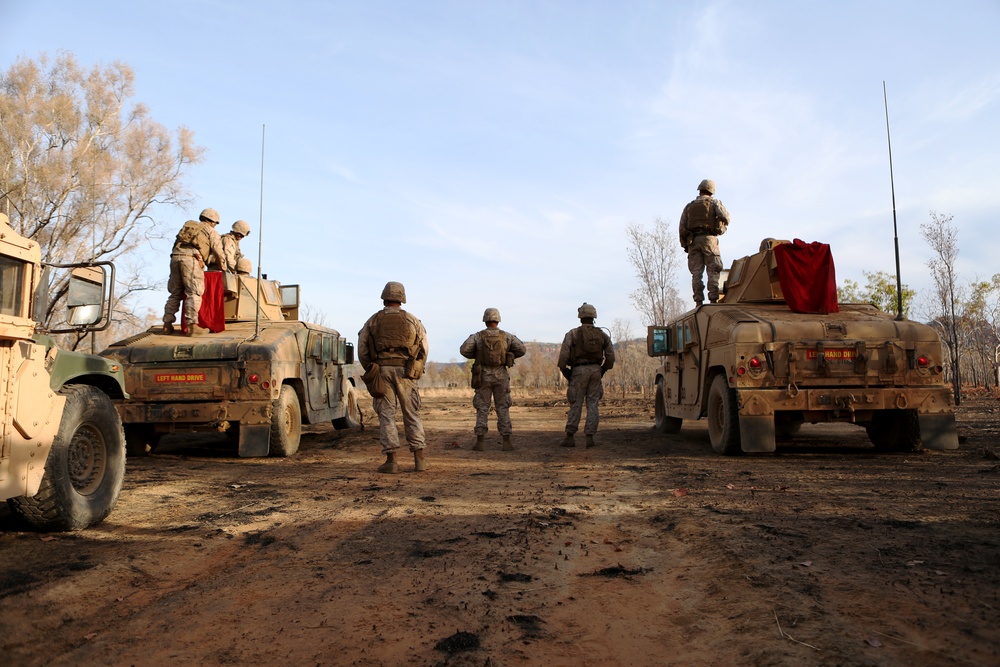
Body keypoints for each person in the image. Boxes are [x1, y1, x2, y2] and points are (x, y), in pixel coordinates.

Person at [357, 281, 430, 473]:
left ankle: (391, 461)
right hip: (406, 372)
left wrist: (371, 369)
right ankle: (419, 460)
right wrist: (416, 368)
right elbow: (424, 347)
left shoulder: (373, 320)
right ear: (402, 298)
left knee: (386, 415)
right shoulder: (413, 320)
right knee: (411, 414)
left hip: (382, 371)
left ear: (384, 297)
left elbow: (362, 349)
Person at [459, 308, 527, 451]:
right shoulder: (507, 336)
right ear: (498, 320)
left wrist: (478, 355)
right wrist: (509, 354)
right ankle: (506, 441)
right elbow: (522, 349)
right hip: (501, 375)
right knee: (503, 407)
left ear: (485, 320)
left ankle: (480, 442)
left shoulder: (477, 336)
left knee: (482, 407)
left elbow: (464, 349)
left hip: (482, 375)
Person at [556, 303, 615, 448]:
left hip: (578, 371)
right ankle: (590, 437)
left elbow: (563, 356)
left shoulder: (573, 334)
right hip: (595, 370)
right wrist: (602, 370)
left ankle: (570, 436)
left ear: (580, 317)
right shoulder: (602, 335)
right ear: (593, 317)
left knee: (576, 403)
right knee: (593, 403)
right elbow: (611, 358)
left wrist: (565, 371)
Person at [162, 208, 225, 335]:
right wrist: (223, 266)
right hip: (192, 259)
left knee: (175, 293)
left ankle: (167, 324)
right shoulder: (210, 231)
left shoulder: (189, 227)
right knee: (194, 292)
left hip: (175, 257)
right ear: (213, 222)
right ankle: (192, 326)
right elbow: (218, 251)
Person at [678, 179, 730, 305]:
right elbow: (726, 217)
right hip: (709, 240)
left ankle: (698, 301)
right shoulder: (714, 203)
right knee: (713, 270)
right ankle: (713, 299)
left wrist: (685, 244)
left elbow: (682, 227)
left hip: (693, 242)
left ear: (700, 190)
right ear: (711, 191)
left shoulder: (689, 206)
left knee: (696, 273)